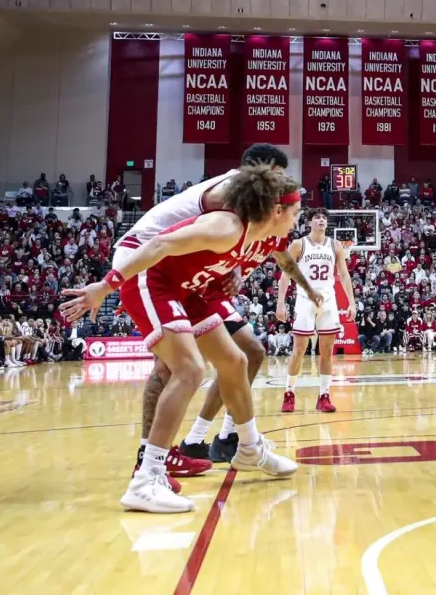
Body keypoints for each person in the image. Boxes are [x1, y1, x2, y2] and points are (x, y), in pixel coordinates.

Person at [62, 163, 304, 513]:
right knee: (189, 371)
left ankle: (249, 448)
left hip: (187, 290)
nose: (297, 221)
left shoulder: (262, 236)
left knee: (234, 361)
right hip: (150, 280)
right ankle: (146, 480)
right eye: (295, 213)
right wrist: (105, 286)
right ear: (276, 211)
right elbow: (159, 244)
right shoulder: (226, 226)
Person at [123, 145, 320, 482]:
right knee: (176, 366)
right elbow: (184, 242)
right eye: (278, 176)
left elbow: (279, 255)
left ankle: (240, 443)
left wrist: (305, 287)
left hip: (195, 279)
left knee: (245, 355)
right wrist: (105, 286)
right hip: (145, 257)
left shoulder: (263, 225)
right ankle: (150, 458)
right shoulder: (229, 201)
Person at [276, 209, 356, 413]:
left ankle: (324, 395)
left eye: (324, 218)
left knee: (327, 351)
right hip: (305, 298)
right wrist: (281, 302)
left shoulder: (335, 245)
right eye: (317, 218)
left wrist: (351, 302)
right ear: (309, 223)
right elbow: (285, 275)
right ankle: (289, 392)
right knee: (299, 349)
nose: (321, 221)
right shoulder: (298, 244)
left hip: (328, 299)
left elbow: (345, 276)